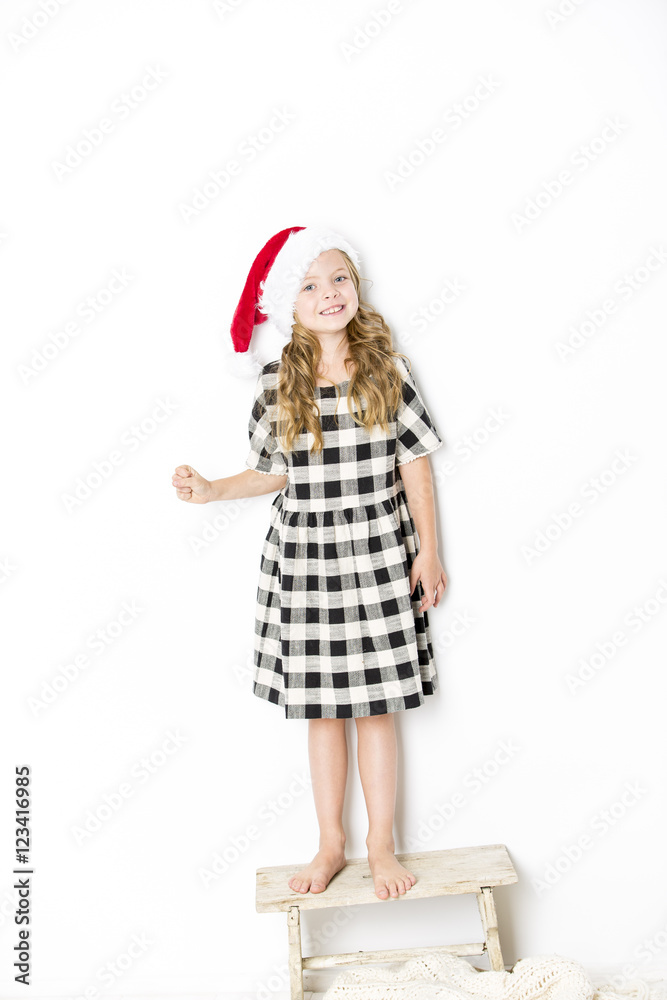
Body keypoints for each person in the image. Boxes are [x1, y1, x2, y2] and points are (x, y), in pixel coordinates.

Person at [172, 226, 447, 902]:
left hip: (378, 553)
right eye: (310, 284)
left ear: (357, 286)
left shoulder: (388, 369)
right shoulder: (277, 383)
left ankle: (381, 845)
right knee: (324, 711)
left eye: (339, 278)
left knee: (376, 708)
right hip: (305, 562)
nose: (329, 293)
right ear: (286, 306)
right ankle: (330, 843)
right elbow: (271, 473)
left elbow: (414, 463)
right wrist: (212, 489)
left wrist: (429, 550)